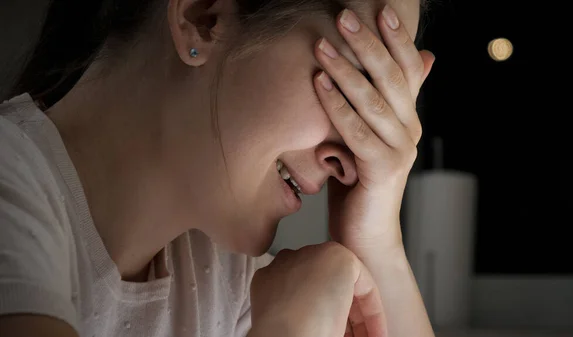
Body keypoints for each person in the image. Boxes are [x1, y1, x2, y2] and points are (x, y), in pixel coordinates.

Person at [0, 0, 436, 336]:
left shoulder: (227, 280)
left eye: (380, 111)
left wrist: (376, 239)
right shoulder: (11, 186)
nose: (359, 159)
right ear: (203, 17)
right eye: (353, 86)